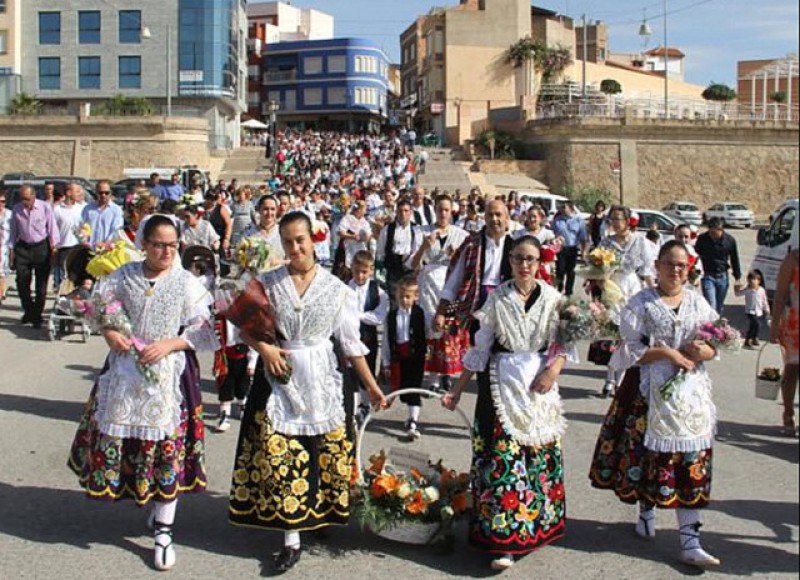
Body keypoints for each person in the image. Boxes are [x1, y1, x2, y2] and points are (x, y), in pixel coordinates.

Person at [228, 212, 387, 574]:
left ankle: (320, 515)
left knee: (322, 452)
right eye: (287, 241)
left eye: (300, 240)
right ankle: (291, 538)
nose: (295, 248)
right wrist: (265, 349)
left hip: (322, 376)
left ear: (314, 239)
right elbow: (245, 330)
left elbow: (350, 344)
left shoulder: (337, 289)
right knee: (282, 454)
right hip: (279, 375)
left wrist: (374, 388)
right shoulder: (267, 282)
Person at [68, 215, 218, 571]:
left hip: (170, 374)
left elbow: (205, 329)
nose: (166, 251)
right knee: (133, 446)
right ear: (144, 245)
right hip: (126, 370)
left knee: (169, 448)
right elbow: (100, 307)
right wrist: (109, 333)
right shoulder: (123, 275)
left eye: (172, 245)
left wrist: (171, 342)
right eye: (158, 245)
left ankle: (165, 529)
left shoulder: (187, 283)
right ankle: (147, 498)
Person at [441, 236, 574, 571]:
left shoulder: (555, 299)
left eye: (530, 259)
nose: (524, 265)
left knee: (537, 459)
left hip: (539, 386)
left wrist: (552, 372)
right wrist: (457, 390)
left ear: (539, 261)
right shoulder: (496, 300)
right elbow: (480, 352)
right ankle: (504, 542)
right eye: (518, 259)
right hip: (502, 385)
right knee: (504, 462)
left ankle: (536, 527)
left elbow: (563, 344)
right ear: (510, 261)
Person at [589, 241, 723, 569]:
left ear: (688, 269)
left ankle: (690, 540)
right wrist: (668, 353)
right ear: (657, 267)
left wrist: (704, 351)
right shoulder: (641, 303)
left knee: (690, 460)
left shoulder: (697, 301)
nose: (675, 271)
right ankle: (646, 511)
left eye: (681, 265)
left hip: (689, 395)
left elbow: (715, 338)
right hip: (648, 390)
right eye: (669, 264)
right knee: (649, 457)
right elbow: (629, 350)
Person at [595, 205, 657, 397]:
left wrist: (654, 292)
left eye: (618, 219)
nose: (614, 223)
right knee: (613, 336)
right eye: (611, 219)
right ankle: (609, 379)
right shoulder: (606, 242)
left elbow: (647, 270)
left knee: (629, 337)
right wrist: (599, 281)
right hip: (612, 286)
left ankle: (619, 381)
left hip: (631, 287)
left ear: (628, 221)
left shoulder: (640, 242)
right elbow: (596, 268)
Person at [411, 194, 470, 392]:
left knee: (449, 331)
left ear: (451, 211)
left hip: (450, 283)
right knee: (431, 331)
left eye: (446, 210)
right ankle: (433, 378)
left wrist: (455, 257)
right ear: (434, 211)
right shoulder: (422, 232)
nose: (443, 213)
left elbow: (466, 264)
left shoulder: (460, 234)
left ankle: (447, 374)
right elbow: (412, 263)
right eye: (439, 209)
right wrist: (424, 247)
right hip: (428, 283)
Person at [382, 276, 427, 440]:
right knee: (402, 388)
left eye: (408, 296)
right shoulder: (392, 315)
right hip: (399, 356)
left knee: (414, 387)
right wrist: (386, 361)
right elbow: (387, 339)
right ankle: (409, 414)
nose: (404, 300)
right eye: (401, 296)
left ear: (416, 296)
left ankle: (413, 420)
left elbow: (427, 331)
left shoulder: (420, 313)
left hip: (416, 356)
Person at [8, 185, 60, 327]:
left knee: (41, 286)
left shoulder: (44, 207)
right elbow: (13, 232)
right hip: (23, 248)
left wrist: (54, 248)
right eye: (22, 198)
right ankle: (29, 311)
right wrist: (11, 251)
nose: (25, 202)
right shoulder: (17, 209)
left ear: (33, 196)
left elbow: (52, 228)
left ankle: (36, 316)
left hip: (41, 247)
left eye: (27, 198)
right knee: (22, 282)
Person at [348, 250, 388, 426]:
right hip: (348, 338)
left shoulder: (379, 292)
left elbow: (378, 317)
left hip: (367, 338)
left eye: (364, 272)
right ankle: (353, 407)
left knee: (367, 371)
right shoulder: (344, 288)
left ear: (371, 270)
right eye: (356, 271)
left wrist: (356, 315)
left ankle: (364, 405)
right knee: (350, 374)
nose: (360, 275)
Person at [770, 247, 799, 437]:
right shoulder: (793, 259)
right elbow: (780, 295)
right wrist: (774, 327)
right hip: (795, 326)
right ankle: (788, 413)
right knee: (791, 371)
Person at [213, 317, 258, 433]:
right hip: (225, 356)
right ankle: (224, 416)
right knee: (225, 386)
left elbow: (254, 342)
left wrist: (252, 362)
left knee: (242, 387)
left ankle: (242, 405)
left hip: (243, 357)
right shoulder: (221, 316)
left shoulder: (247, 315)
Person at [695, 217, 742, 315]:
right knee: (711, 305)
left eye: (714, 233)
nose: (712, 235)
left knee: (719, 306)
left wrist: (737, 278)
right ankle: (711, 327)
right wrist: (695, 275)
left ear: (721, 230)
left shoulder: (730, 240)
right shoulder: (703, 239)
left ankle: (717, 327)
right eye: (710, 232)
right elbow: (696, 257)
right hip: (708, 276)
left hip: (722, 277)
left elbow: (734, 259)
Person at [376, 198, 418, 300]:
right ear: (396, 212)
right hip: (392, 269)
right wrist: (380, 275)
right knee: (394, 299)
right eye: (400, 211)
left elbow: (418, 251)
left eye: (406, 211)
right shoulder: (387, 229)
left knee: (409, 299)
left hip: (409, 271)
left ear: (411, 212)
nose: (403, 214)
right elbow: (380, 252)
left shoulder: (417, 229)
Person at [53, 183, 87, 291]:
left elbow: (87, 226)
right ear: (68, 193)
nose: (79, 194)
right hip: (64, 247)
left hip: (80, 247)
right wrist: (54, 246)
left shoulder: (83, 208)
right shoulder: (57, 209)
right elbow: (53, 229)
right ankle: (63, 299)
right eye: (76, 191)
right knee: (65, 276)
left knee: (78, 275)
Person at [551, 202, 588, 296]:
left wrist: (584, 251)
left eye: (564, 207)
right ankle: (558, 290)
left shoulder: (579, 221)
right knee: (560, 270)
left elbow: (583, 237)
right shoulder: (557, 220)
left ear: (571, 209)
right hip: (560, 248)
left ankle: (568, 292)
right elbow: (552, 234)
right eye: (561, 207)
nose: (562, 209)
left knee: (571, 271)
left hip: (572, 249)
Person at [81, 181, 124, 245]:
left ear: (110, 193)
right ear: (96, 193)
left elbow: (116, 230)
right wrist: (84, 240)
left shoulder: (116, 210)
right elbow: (83, 227)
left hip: (107, 250)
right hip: (89, 249)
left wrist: (106, 244)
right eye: (100, 193)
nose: (103, 195)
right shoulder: (88, 209)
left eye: (106, 193)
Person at [735, 270, 770, 348]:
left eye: (754, 280)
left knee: (753, 326)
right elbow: (738, 294)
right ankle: (751, 338)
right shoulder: (748, 290)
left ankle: (751, 338)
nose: (752, 282)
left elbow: (764, 301)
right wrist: (736, 288)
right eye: (750, 280)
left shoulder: (761, 290)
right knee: (757, 324)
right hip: (750, 311)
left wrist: (767, 310)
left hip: (759, 312)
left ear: (759, 281)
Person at [337, 200, 372, 274]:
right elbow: (340, 232)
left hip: (359, 248)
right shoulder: (347, 218)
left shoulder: (364, 222)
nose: (365, 211)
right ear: (359, 209)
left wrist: (364, 237)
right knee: (344, 271)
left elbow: (368, 235)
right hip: (347, 248)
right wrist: (353, 236)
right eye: (364, 209)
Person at [206, 192, 233, 277]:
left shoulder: (221, 208)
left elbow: (229, 223)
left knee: (222, 262)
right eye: (210, 199)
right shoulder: (202, 208)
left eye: (214, 199)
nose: (213, 201)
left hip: (220, 235)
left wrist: (227, 238)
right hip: (207, 237)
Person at [0, 190, 11, 303]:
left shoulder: (9, 214)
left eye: (3, 201)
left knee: (2, 270)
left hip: (5, 246)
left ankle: (2, 291)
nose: (1, 204)